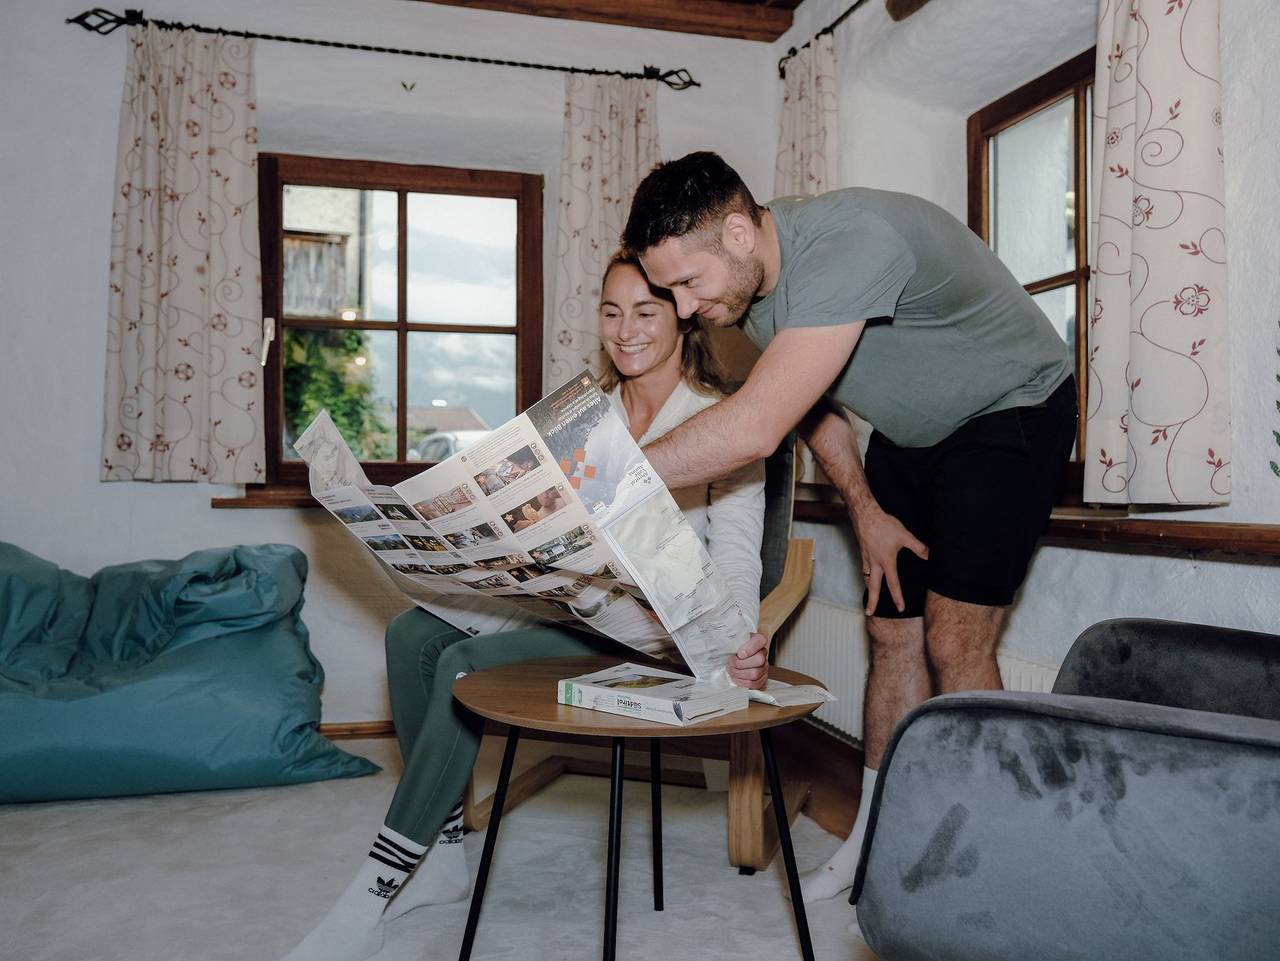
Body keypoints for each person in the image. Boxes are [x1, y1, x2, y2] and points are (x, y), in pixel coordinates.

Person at [275, 251, 769, 961]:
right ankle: (444, 853)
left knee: (463, 665)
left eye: (646, 312)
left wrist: (737, 637)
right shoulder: (583, 421)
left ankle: (372, 891)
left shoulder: (723, 421)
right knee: (411, 635)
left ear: (684, 318)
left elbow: (738, 555)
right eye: (611, 312)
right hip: (568, 609)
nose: (625, 330)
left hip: (652, 638)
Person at [621, 151, 1078, 905]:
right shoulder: (748, 287)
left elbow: (758, 425)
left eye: (687, 283)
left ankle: (1005, 864)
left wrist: (608, 481)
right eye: (669, 289)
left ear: (737, 232)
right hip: (913, 430)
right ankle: (871, 836)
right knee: (890, 632)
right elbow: (818, 411)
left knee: (953, 639)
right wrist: (867, 513)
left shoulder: (849, 243)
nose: (683, 306)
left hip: (1014, 409)